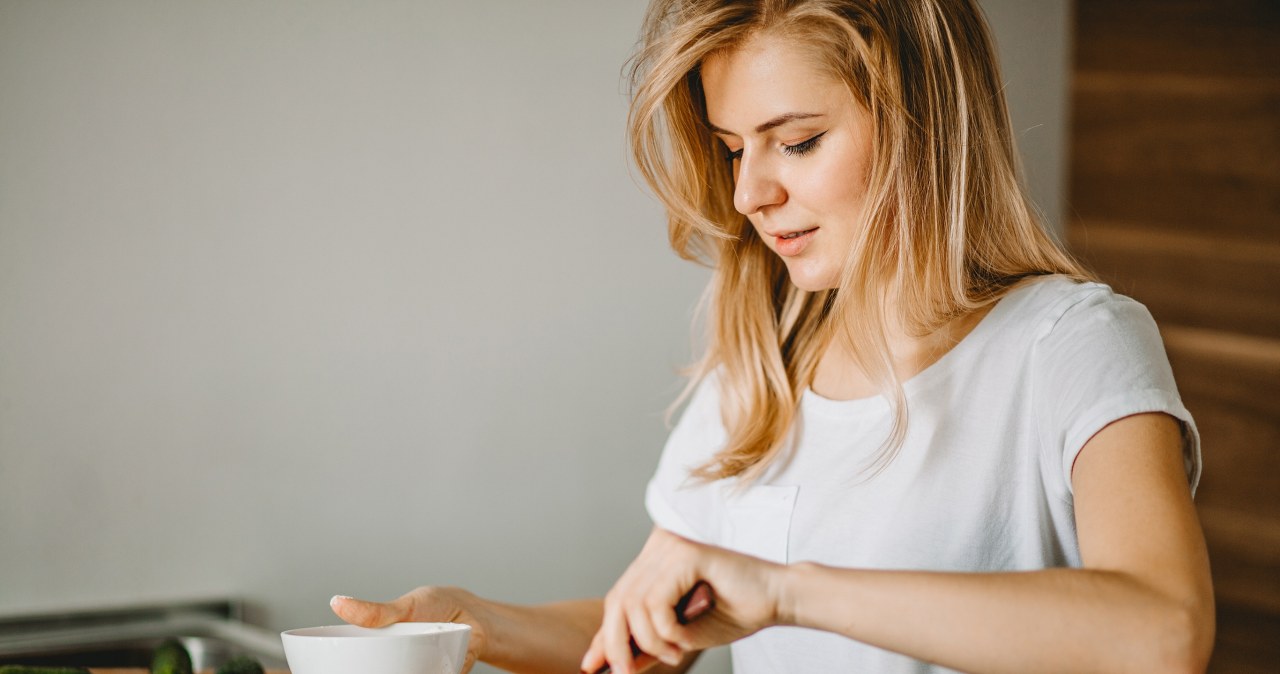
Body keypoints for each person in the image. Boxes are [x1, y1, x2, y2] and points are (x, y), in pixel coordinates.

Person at [330, 0, 1216, 672]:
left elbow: (1162, 630)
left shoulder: (1071, 343)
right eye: (731, 148)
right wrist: (474, 626)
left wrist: (788, 594)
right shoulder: (760, 371)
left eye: (795, 142)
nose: (751, 192)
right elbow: (645, 621)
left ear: (924, 126)